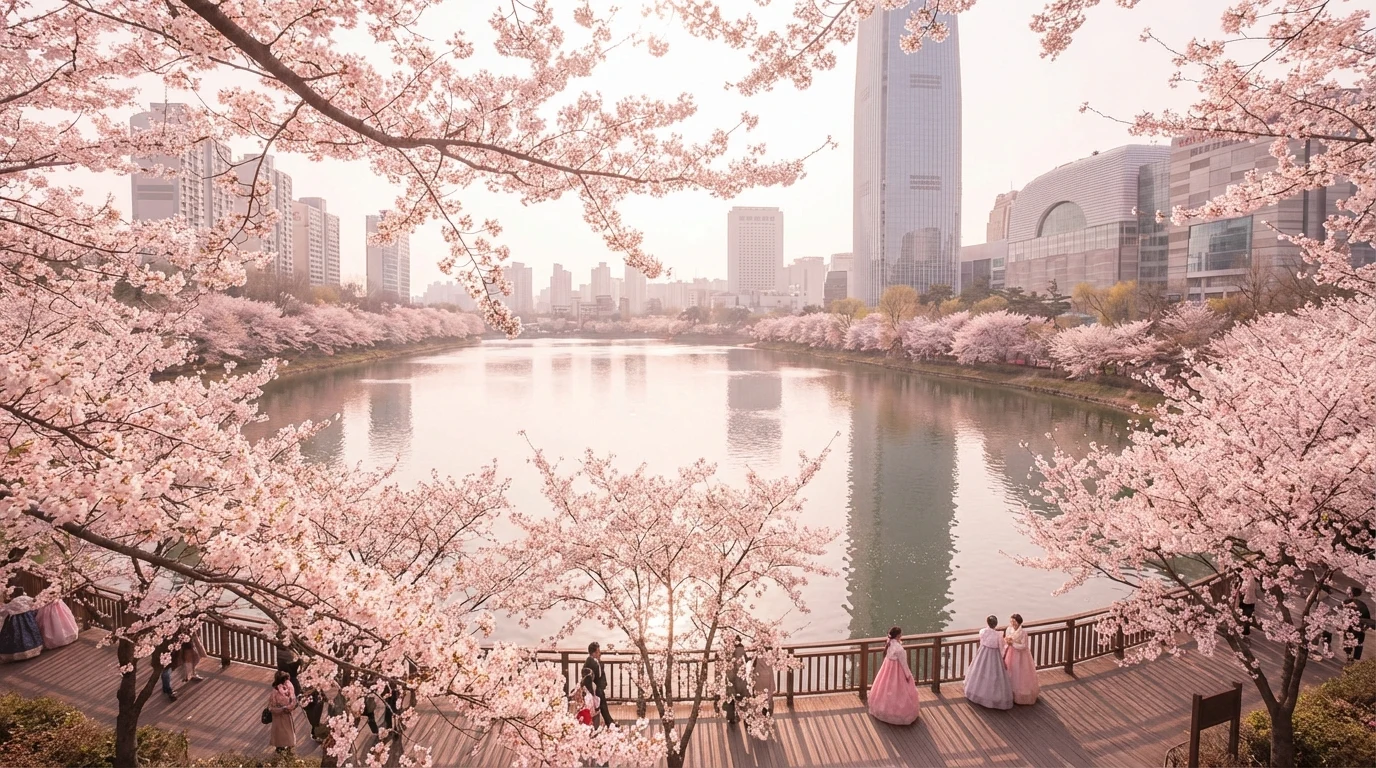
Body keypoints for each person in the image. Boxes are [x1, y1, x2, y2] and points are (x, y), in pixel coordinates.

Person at [867, 626, 920, 725]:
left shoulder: (889, 642)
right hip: (897, 669)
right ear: (899, 635)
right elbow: (904, 663)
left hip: (887, 666)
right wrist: (908, 675)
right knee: (899, 689)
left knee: (885, 687)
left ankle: (883, 709)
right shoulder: (899, 649)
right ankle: (899, 713)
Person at [962, 615, 1013, 710]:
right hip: (994, 655)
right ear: (996, 624)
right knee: (994, 675)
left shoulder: (983, 631)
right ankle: (992, 697)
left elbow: (982, 641)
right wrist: (1004, 654)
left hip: (983, 652)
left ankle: (977, 693)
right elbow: (1001, 647)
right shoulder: (998, 635)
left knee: (979, 672)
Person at [1002, 614, 1039, 706]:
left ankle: (1021, 694)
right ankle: (1009, 692)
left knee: (1020, 673)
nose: (1013, 624)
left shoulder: (1023, 633)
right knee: (1010, 670)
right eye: (1011, 622)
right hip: (1010, 653)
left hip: (1021, 655)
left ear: (1019, 622)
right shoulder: (1008, 629)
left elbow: (1024, 646)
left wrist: (1013, 644)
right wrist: (1007, 642)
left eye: (1014, 622)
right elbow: (1006, 640)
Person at [0, 596, 43, 663]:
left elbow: (3, 612)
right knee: (29, 632)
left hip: (14, 621)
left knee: (15, 635)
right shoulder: (24, 598)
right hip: (26, 618)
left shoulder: (10, 603)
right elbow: (34, 602)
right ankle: (33, 650)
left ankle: (16, 654)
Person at [581, 642, 614, 728]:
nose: (600, 653)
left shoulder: (594, 662)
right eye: (598, 651)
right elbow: (598, 676)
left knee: (601, 698)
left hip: (594, 689)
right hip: (592, 691)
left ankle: (609, 722)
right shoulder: (592, 662)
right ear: (594, 653)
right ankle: (609, 722)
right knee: (601, 698)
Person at [267, 670, 298, 754]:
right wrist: (287, 708)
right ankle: (287, 748)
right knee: (287, 732)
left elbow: (271, 707)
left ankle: (280, 748)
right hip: (285, 715)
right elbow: (293, 701)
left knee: (280, 733)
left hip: (279, 716)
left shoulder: (275, 691)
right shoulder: (287, 689)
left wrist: (282, 708)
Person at [723, 638, 748, 725]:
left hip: (731, 675)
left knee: (731, 696)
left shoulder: (728, 651)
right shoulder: (741, 650)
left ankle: (731, 717)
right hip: (740, 675)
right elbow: (746, 660)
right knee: (744, 696)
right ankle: (746, 717)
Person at [1344, 586, 1372, 662]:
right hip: (1359, 626)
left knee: (1348, 640)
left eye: (1348, 589)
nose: (1346, 591)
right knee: (1359, 642)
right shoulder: (1363, 604)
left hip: (1351, 625)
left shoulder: (1346, 602)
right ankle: (1354, 658)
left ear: (1351, 594)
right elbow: (1367, 618)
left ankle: (1349, 657)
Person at [752, 646, 776, 719]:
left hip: (759, 681)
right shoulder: (769, 657)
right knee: (769, 697)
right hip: (768, 680)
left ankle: (763, 712)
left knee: (760, 697)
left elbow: (753, 668)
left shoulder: (757, 658)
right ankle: (769, 712)